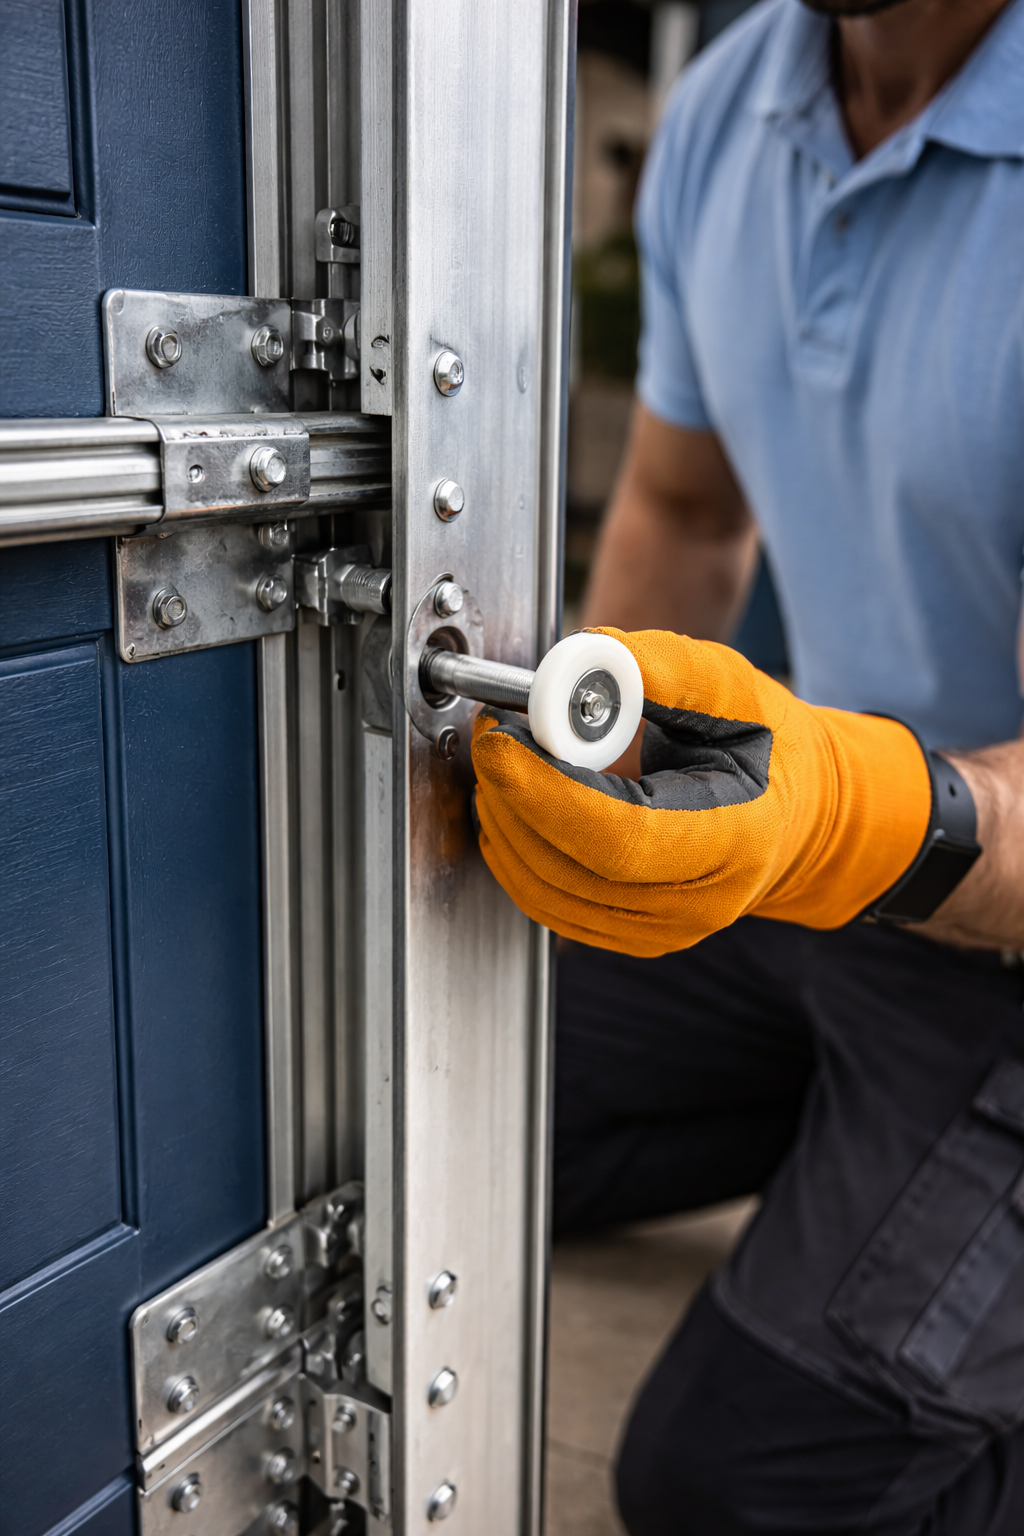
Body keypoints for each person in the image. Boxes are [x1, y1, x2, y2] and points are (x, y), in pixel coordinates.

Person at [471, 0, 1024, 1530]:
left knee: (733, 1487)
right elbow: (685, 508)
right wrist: (604, 764)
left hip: (989, 918)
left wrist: (839, 814)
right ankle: (876, 1146)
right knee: (466, 1112)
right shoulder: (727, 111)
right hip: (840, 896)